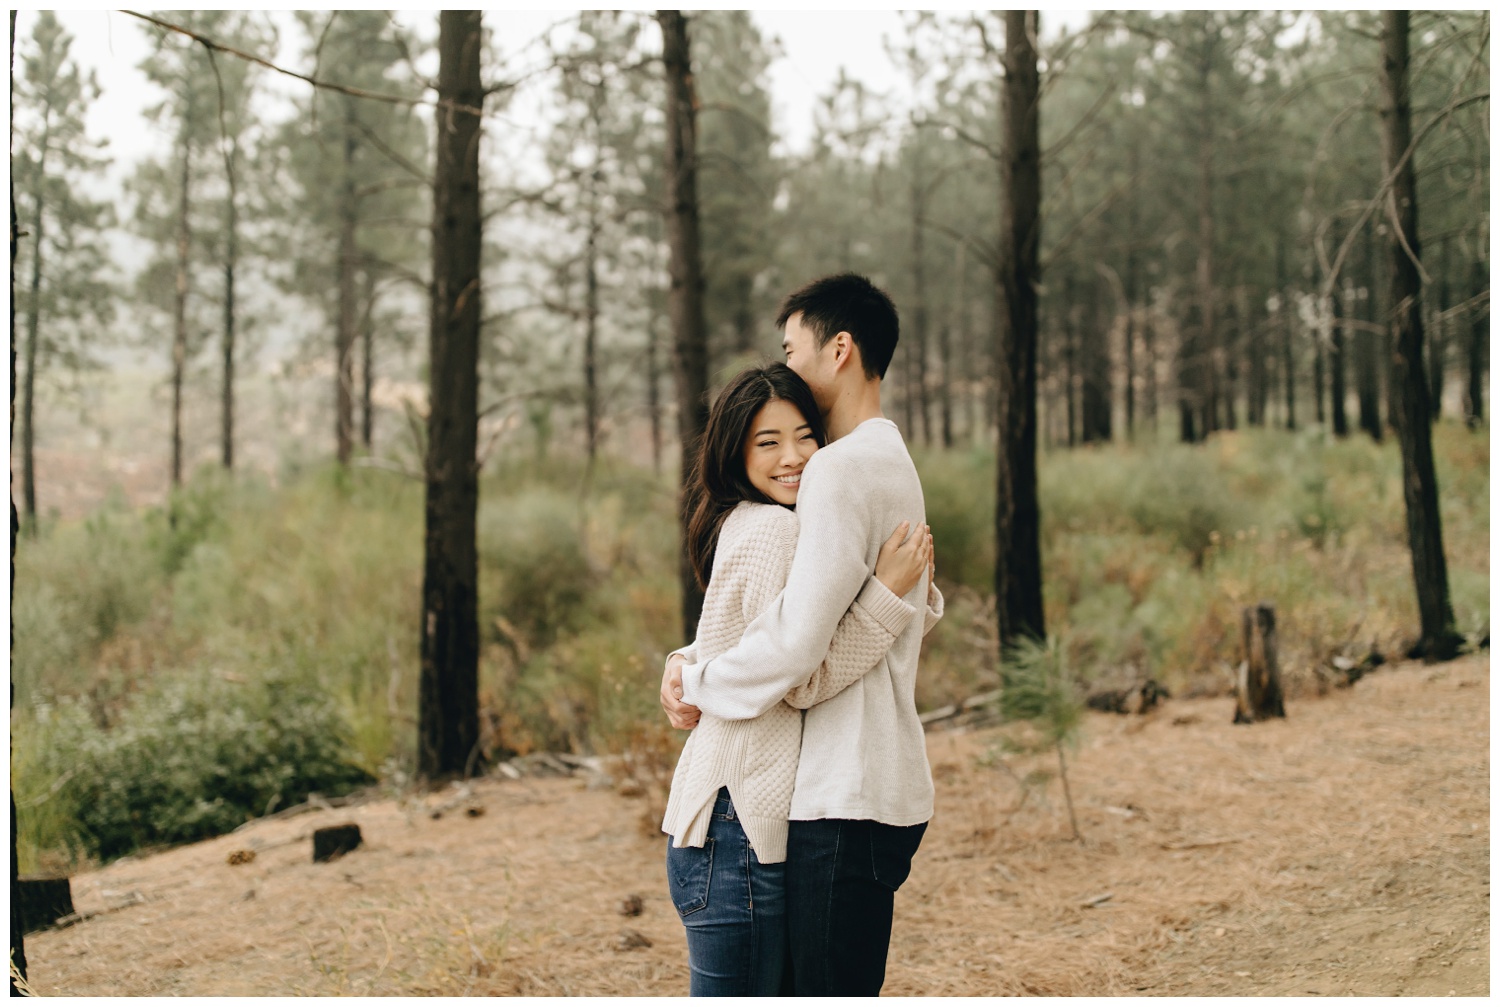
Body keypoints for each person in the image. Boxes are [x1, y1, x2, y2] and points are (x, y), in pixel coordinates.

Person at [661, 273, 935, 995]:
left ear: (838, 348)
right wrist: (693, 657)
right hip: (878, 783)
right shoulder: (894, 461)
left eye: (793, 345)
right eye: (768, 441)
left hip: (842, 792)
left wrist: (696, 678)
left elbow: (794, 652)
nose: (787, 361)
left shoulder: (837, 470)